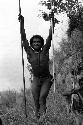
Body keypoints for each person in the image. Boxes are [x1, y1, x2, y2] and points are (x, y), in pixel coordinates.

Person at [18, 14, 53, 119]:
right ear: (32, 44)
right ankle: (38, 119)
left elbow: (50, 37)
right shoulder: (29, 52)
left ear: (41, 43)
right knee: (36, 100)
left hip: (46, 79)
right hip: (36, 79)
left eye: (38, 42)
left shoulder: (45, 50)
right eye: (34, 42)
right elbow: (23, 37)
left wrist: (51, 23)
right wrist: (22, 22)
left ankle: (43, 118)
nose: (36, 43)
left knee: (42, 98)